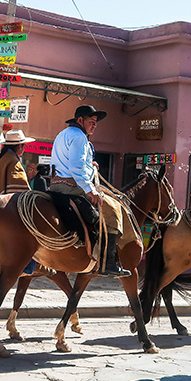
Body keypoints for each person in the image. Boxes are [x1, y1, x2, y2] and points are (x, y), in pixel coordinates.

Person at [50, 104, 137, 278]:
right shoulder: (80, 137)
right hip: (73, 187)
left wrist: (91, 165)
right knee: (112, 210)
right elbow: (76, 168)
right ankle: (108, 263)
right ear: (80, 120)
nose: (95, 125)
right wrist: (91, 190)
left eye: (96, 122)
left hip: (55, 184)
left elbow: (72, 163)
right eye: (92, 121)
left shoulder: (63, 134)